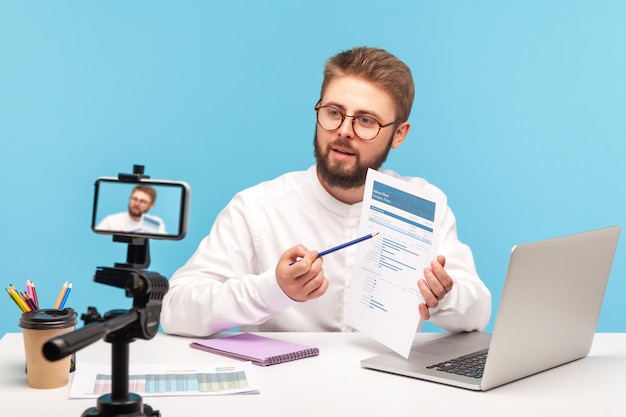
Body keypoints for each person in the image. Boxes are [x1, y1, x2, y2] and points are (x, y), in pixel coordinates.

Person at [160, 46, 491, 337]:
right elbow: (175, 309)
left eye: (366, 121)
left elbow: (478, 312)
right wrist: (272, 290)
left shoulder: (424, 203)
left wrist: (444, 296)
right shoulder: (258, 207)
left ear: (399, 134)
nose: (344, 132)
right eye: (334, 113)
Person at [97, 185, 166, 234]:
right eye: (134, 199)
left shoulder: (156, 223)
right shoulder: (111, 221)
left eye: (142, 201)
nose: (137, 203)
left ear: (151, 205)